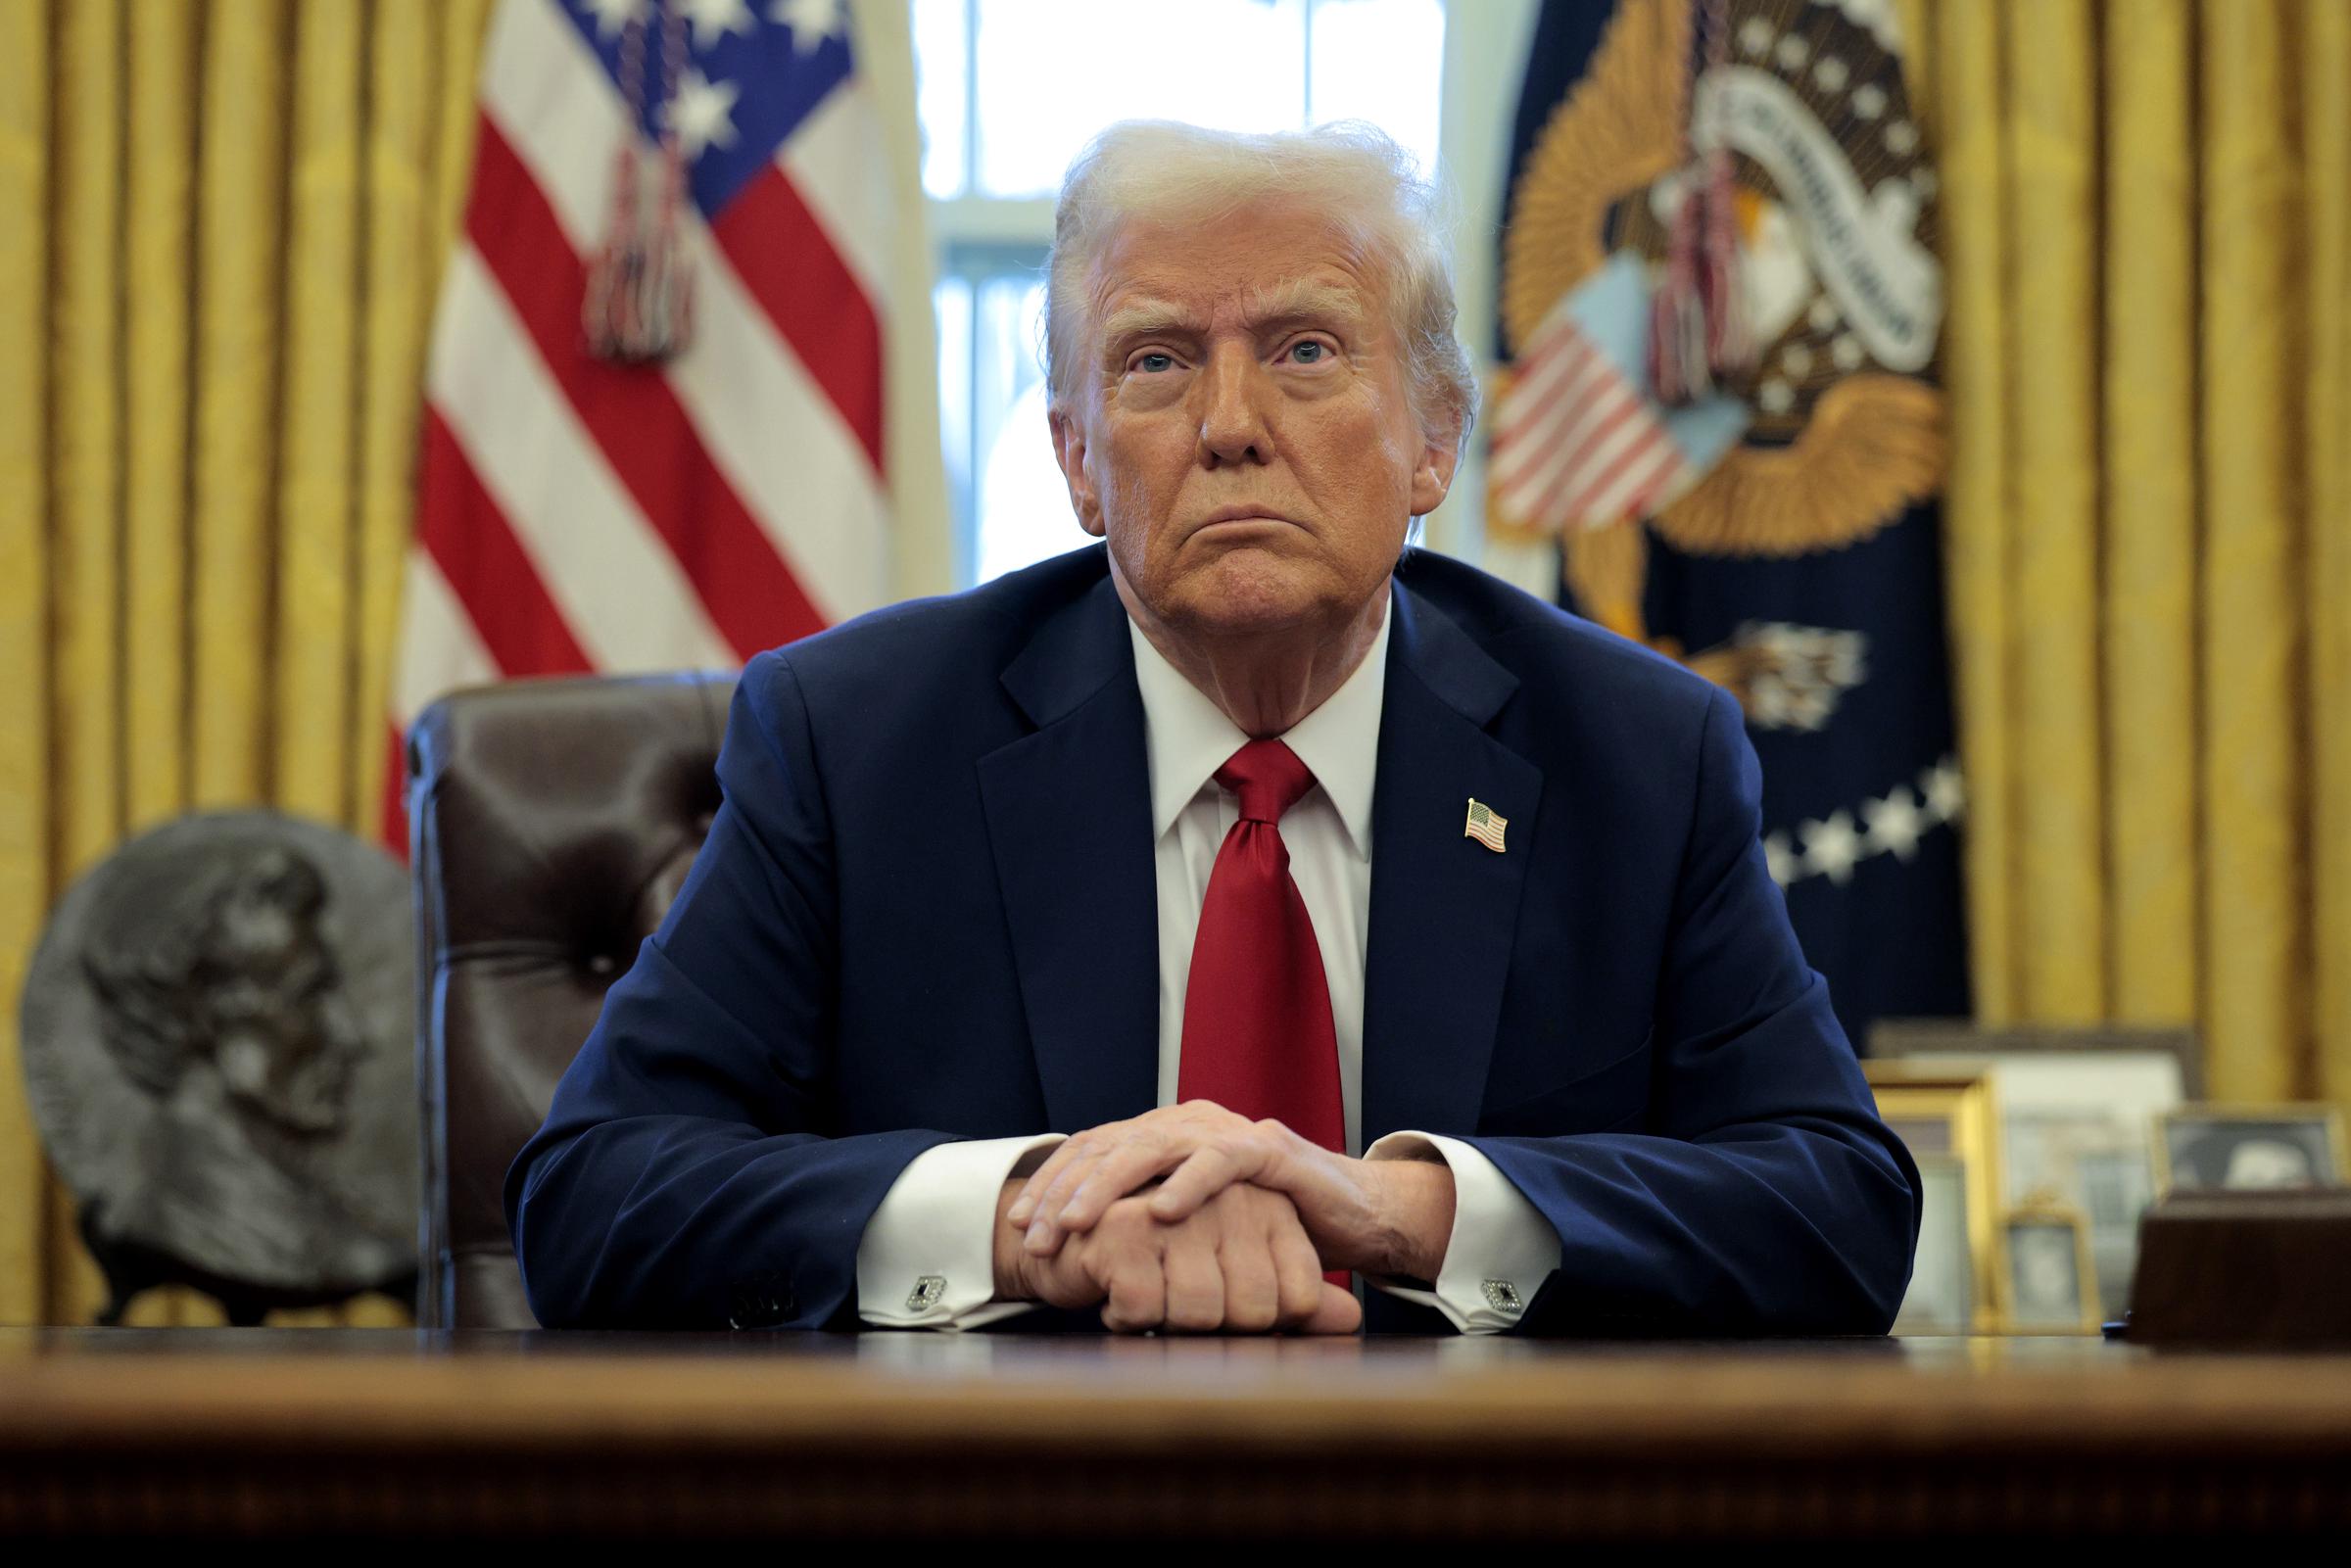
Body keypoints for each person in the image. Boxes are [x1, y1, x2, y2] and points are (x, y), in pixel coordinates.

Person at [506, 120, 1921, 1337]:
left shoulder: (1638, 754)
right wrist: (1031, 1219)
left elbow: (1837, 1203)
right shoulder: (857, 740)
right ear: (1076, 457)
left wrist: (1401, 1208)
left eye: (1305, 350)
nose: (1229, 424)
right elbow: (594, 1194)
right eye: (1157, 363)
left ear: (1435, 434)